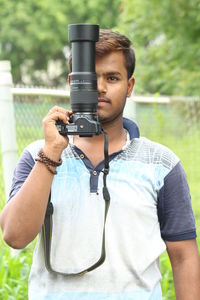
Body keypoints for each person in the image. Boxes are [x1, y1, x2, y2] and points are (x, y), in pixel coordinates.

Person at [0, 28, 200, 300]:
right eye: (90, 78)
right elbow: (15, 236)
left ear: (129, 86)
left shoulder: (161, 164)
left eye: (112, 77)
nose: (101, 87)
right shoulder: (38, 154)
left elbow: (183, 256)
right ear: (73, 82)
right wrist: (50, 154)